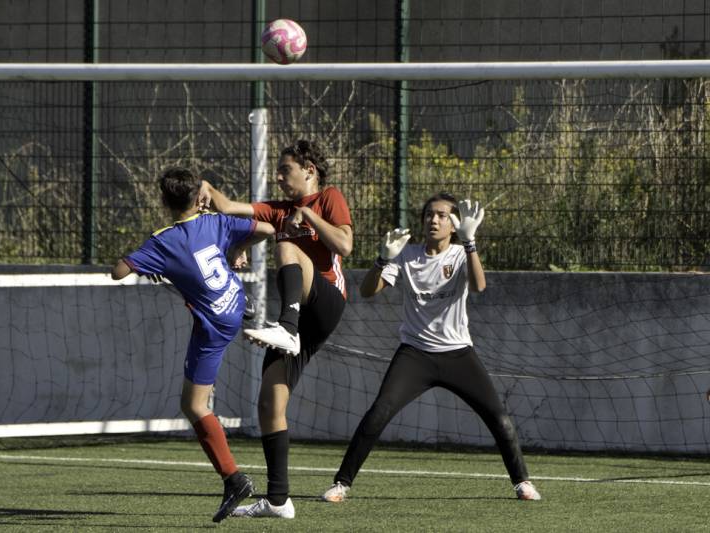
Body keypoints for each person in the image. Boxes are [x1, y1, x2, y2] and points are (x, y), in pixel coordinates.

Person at [321, 192, 541, 503]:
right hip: (415, 354)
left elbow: (479, 286)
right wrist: (382, 259)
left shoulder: (460, 254)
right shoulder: (407, 254)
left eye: (441, 215)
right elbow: (368, 291)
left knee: (498, 417)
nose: (433, 220)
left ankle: (522, 482)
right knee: (378, 414)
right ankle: (341, 484)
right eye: (429, 215)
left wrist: (470, 243)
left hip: (458, 354)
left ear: (454, 225)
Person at [199, 139, 353, 519]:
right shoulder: (280, 209)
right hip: (303, 316)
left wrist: (309, 217)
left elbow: (345, 245)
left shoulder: (329, 197)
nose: (279, 177)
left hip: (328, 299)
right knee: (270, 400)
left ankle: (286, 326)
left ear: (310, 171)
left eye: (285, 170)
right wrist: (206, 188)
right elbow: (229, 206)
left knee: (286, 247)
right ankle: (279, 500)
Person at [111, 166, 275, 523]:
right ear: (198, 195)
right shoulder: (215, 222)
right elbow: (267, 228)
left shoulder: (163, 241)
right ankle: (235, 291)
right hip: (232, 303)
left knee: (194, 404)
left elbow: (118, 271)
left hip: (214, 325)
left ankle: (234, 480)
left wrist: (144, 262)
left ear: (163, 200)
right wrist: (236, 248)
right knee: (216, 292)